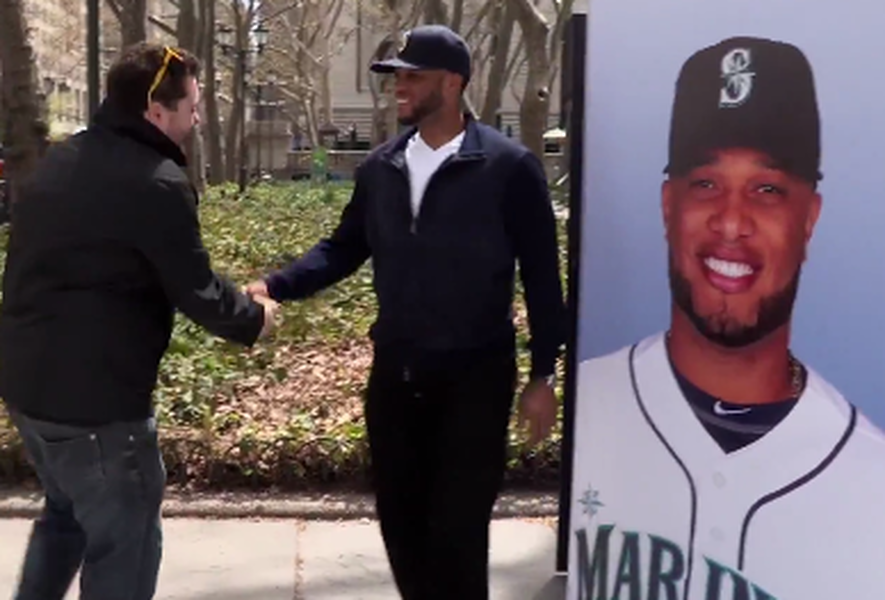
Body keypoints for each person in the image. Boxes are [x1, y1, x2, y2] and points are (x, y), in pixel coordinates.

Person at [245, 24, 567, 600]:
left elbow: (543, 278)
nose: (400, 87)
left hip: (476, 379)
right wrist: (275, 285)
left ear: (453, 82)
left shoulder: (509, 167)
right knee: (403, 529)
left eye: (412, 77)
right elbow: (344, 248)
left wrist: (544, 374)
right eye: (397, 77)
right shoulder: (381, 168)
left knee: (459, 536)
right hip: (396, 377)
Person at [567, 36, 885, 599]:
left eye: (767, 189)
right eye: (707, 184)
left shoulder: (871, 479)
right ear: (669, 206)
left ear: (808, 219)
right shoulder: (591, 402)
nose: (731, 222)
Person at [0, 42, 278, 600]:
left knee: (67, 517)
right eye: (192, 107)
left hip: (29, 391)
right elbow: (196, 289)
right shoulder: (155, 181)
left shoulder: (61, 159)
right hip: (100, 412)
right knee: (123, 549)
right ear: (157, 112)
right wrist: (256, 318)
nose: (197, 119)